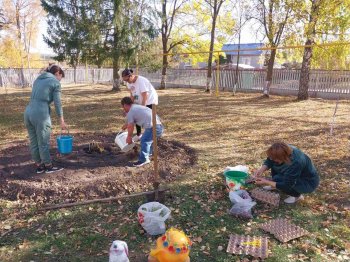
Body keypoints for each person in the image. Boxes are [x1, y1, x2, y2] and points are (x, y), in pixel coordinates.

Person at [24, 64, 67, 174]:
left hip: (28, 112)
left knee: (34, 141)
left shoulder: (38, 79)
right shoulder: (55, 82)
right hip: (40, 114)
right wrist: (61, 120)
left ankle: (39, 166)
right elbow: (58, 103)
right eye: (61, 77)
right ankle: (48, 166)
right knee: (43, 141)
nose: (60, 80)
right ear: (57, 73)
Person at [254, 142, 320, 204]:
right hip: (293, 173)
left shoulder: (296, 163)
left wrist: (266, 182)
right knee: (276, 174)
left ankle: (297, 196)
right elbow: (270, 160)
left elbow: (287, 185)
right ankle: (275, 185)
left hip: (307, 182)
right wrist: (261, 170)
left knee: (279, 179)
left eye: (274, 159)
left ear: (283, 158)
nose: (272, 159)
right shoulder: (283, 151)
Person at [121, 97, 163, 167]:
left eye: (123, 107)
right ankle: (148, 153)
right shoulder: (136, 107)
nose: (123, 109)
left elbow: (131, 126)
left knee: (144, 140)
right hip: (159, 126)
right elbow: (133, 121)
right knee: (148, 139)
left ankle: (144, 159)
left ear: (125, 105)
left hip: (154, 127)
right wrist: (126, 125)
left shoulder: (131, 111)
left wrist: (129, 137)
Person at [121, 68, 158, 141]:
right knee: (136, 116)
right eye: (125, 80)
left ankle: (151, 135)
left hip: (150, 100)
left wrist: (142, 108)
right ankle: (139, 134)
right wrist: (130, 107)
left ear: (131, 76)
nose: (127, 82)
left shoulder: (141, 81)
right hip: (139, 100)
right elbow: (132, 95)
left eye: (127, 80)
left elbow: (145, 95)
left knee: (148, 119)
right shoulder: (129, 83)